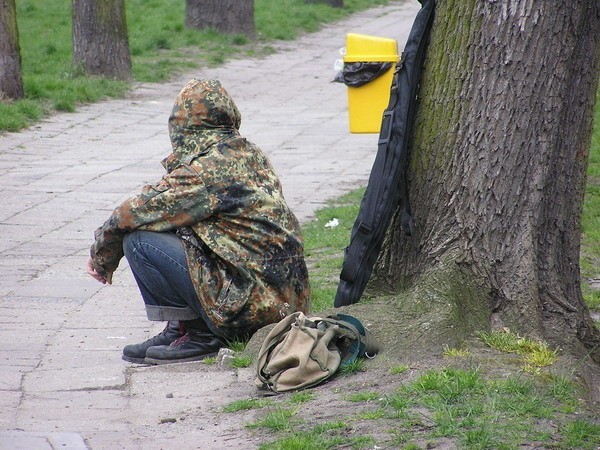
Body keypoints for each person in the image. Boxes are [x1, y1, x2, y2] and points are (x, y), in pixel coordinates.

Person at [87, 78, 311, 365]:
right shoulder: (247, 153)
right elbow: (164, 201)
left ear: (182, 126)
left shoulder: (204, 170)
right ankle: (178, 328)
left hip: (250, 306)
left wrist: (102, 256)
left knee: (140, 240)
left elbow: (132, 213)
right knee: (174, 223)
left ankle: (202, 335)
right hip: (280, 301)